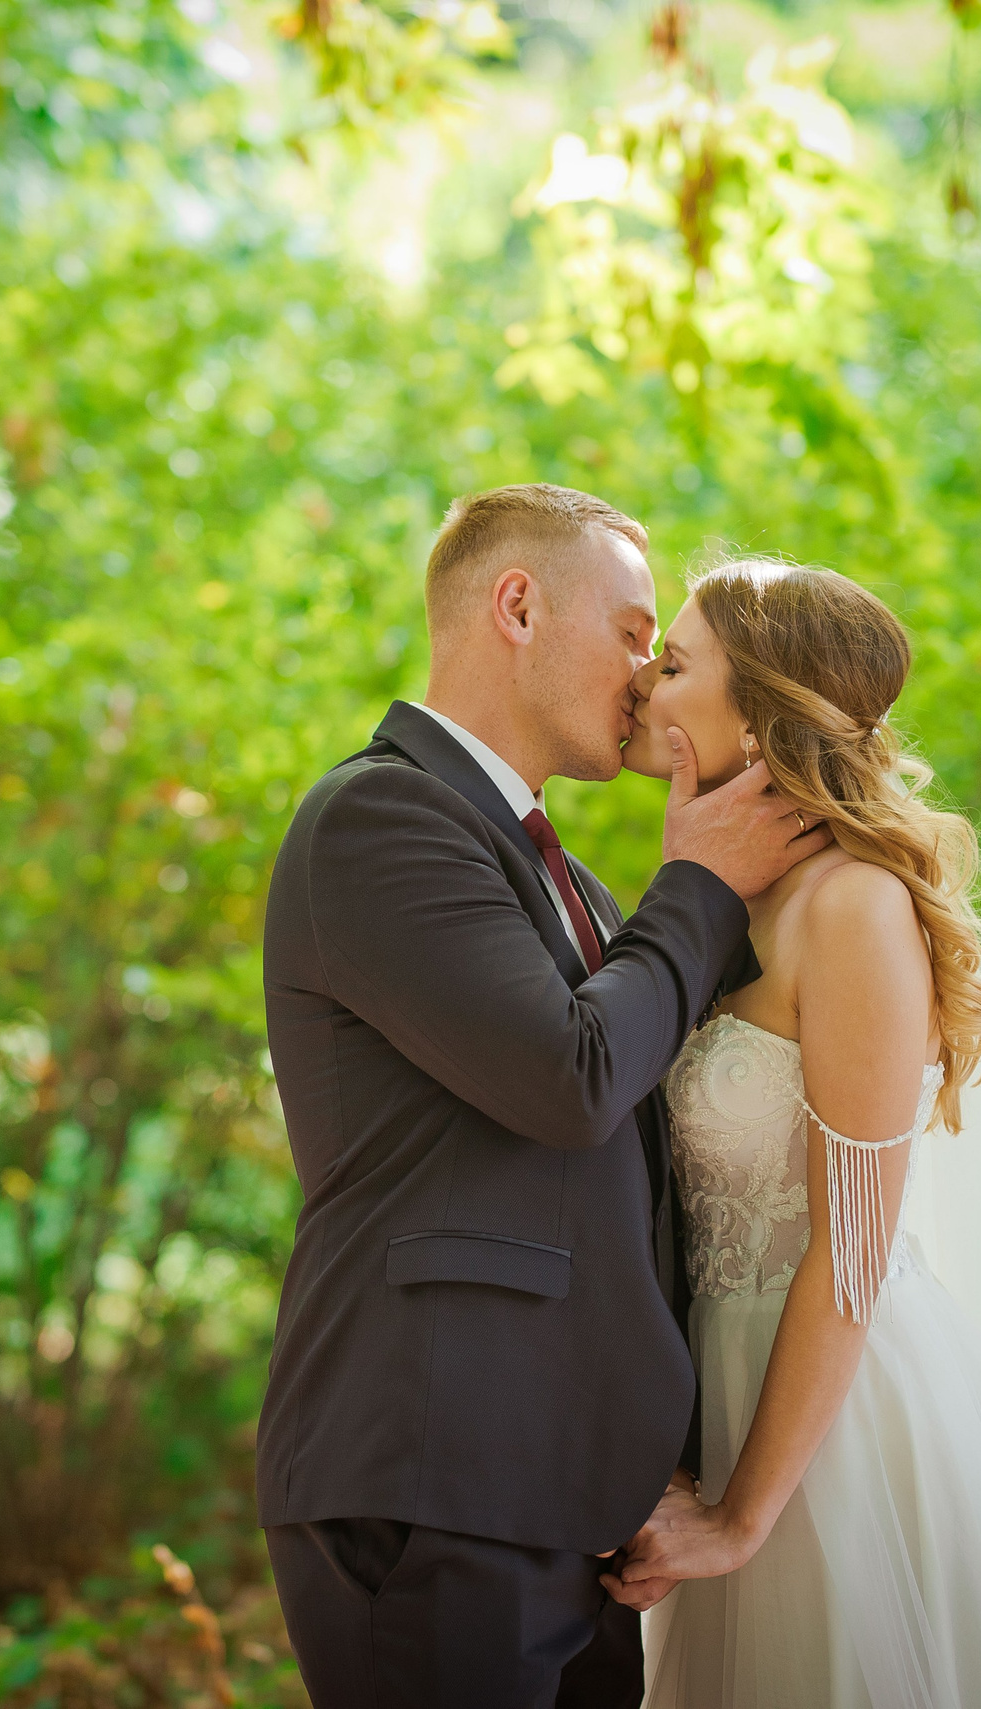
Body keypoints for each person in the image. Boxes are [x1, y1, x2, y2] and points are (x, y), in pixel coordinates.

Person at [606, 558, 981, 1708]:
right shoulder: (724, 891)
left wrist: (741, 1517)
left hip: (835, 1435)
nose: (642, 679)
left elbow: (858, 1241)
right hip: (716, 1396)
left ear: (765, 708)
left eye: (675, 662)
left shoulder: (854, 904)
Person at [257, 486, 825, 1709]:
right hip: (436, 1475)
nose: (647, 675)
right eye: (634, 632)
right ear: (517, 604)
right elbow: (569, 1076)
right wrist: (702, 879)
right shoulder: (378, 817)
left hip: (574, 1492)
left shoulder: (579, 887)